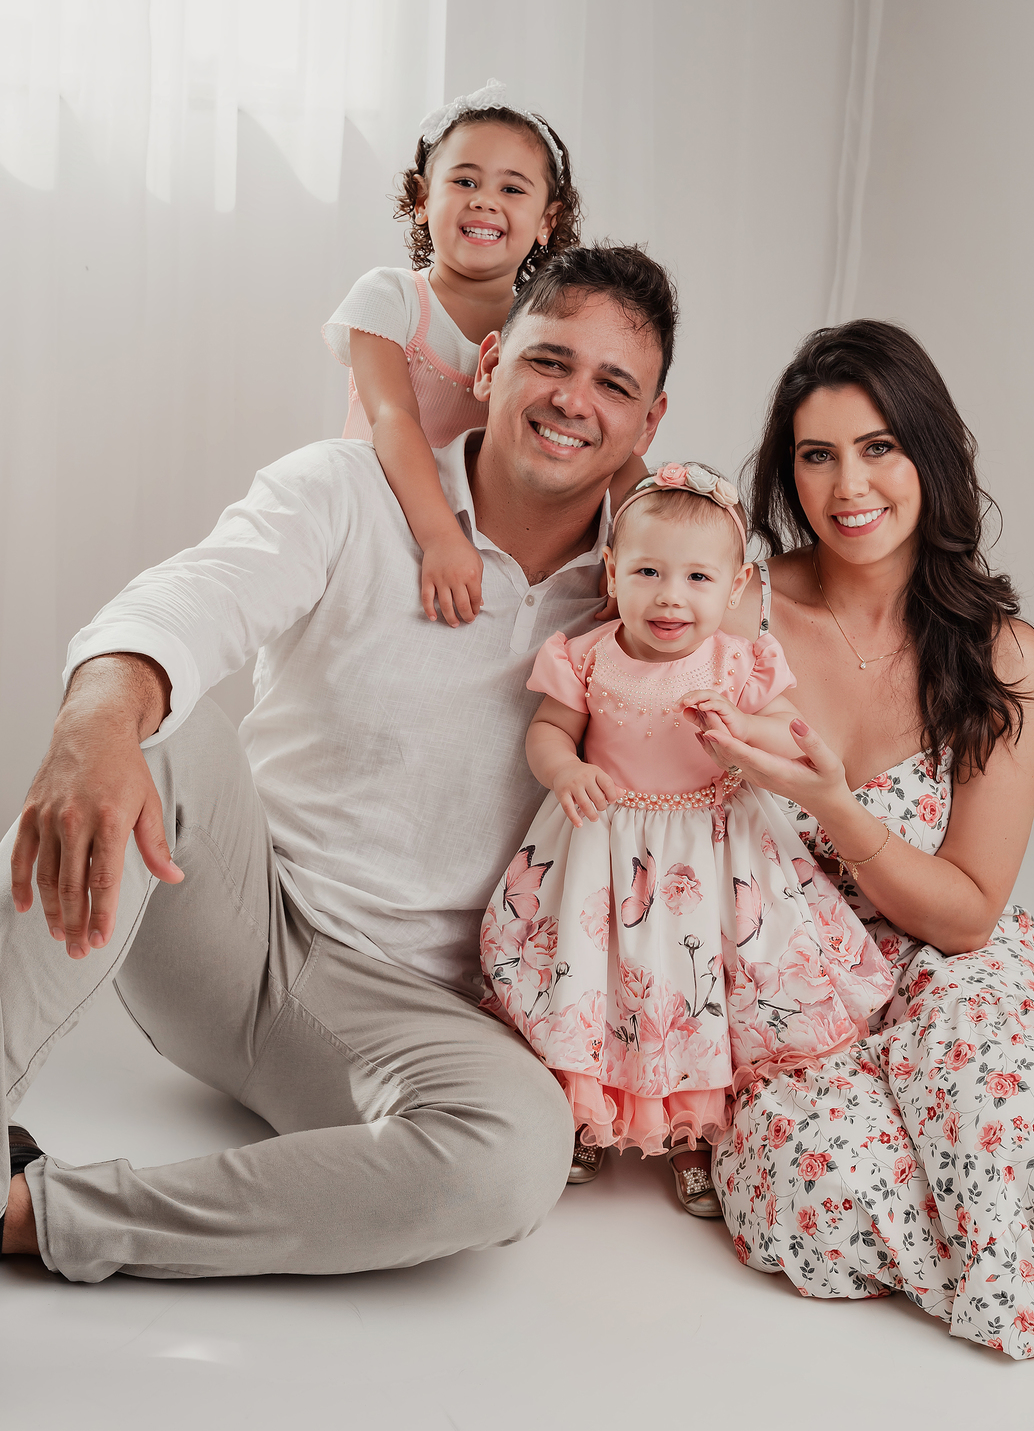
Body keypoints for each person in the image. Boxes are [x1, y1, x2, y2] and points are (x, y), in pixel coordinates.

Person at [0, 244, 674, 1282]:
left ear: (648, 424)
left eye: (614, 384)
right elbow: (199, 593)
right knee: (156, 730)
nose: (572, 399)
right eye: (550, 360)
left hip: (410, 1015)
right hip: (236, 923)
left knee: (519, 1152)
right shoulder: (349, 489)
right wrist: (98, 713)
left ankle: (34, 1217)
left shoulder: (650, 600)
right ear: (492, 362)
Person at [705, 319, 1034, 1358]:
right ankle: (1032, 1229)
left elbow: (970, 911)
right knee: (810, 1185)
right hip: (798, 987)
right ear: (789, 471)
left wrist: (837, 809)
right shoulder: (736, 609)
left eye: (879, 446)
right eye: (817, 454)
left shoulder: (1004, 655)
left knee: (1007, 1123)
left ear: (929, 452)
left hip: (951, 959)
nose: (849, 486)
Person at [480, 462, 895, 1214]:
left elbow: (791, 733)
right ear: (613, 572)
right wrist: (566, 769)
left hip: (713, 849)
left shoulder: (738, 662)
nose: (671, 596)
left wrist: (745, 726)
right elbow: (548, 731)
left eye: (698, 577)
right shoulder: (589, 655)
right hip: (608, 847)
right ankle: (586, 1111)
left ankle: (692, 1134)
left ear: (735, 588)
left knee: (697, 987)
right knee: (604, 980)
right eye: (648, 571)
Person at [323, 78, 644, 626]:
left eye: (512, 189)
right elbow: (392, 417)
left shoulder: (539, 333)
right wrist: (440, 537)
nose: (485, 200)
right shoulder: (391, 298)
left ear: (547, 222)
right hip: (383, 518)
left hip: (482, 536)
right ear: (422, 201)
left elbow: (614, 454)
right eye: (465, 180)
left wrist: (652, 540)